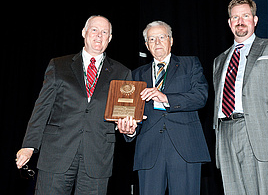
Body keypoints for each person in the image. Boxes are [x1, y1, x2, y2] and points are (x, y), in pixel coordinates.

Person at [15, 15, 132, 194]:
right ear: (84, 33)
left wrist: (128, 129)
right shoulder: (59, 65)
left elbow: (124, 114)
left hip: (97, 158)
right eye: (94, 30)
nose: (99, 35)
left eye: (104, 32)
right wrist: (29, 145)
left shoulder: (122, 72)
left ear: (110, 38)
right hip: (57, 153)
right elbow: (42, 108)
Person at [212, 0, 268, 194]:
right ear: (229, 23)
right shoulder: (219, 60)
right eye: (235, 17)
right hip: (226, 132)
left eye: (245, 15)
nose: (240, 21)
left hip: (260, 132)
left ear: (255, 20)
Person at [117, 21, 211, 195]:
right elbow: (133, 114)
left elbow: (200, 97)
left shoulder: (190, 64)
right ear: (146, 45)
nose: (157, 42)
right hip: (149, 151)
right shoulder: (135, 75)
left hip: (185, 149)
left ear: (171, 40)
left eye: (162, 37)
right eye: (152, 39)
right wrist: (129, 130)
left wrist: (166, 98)